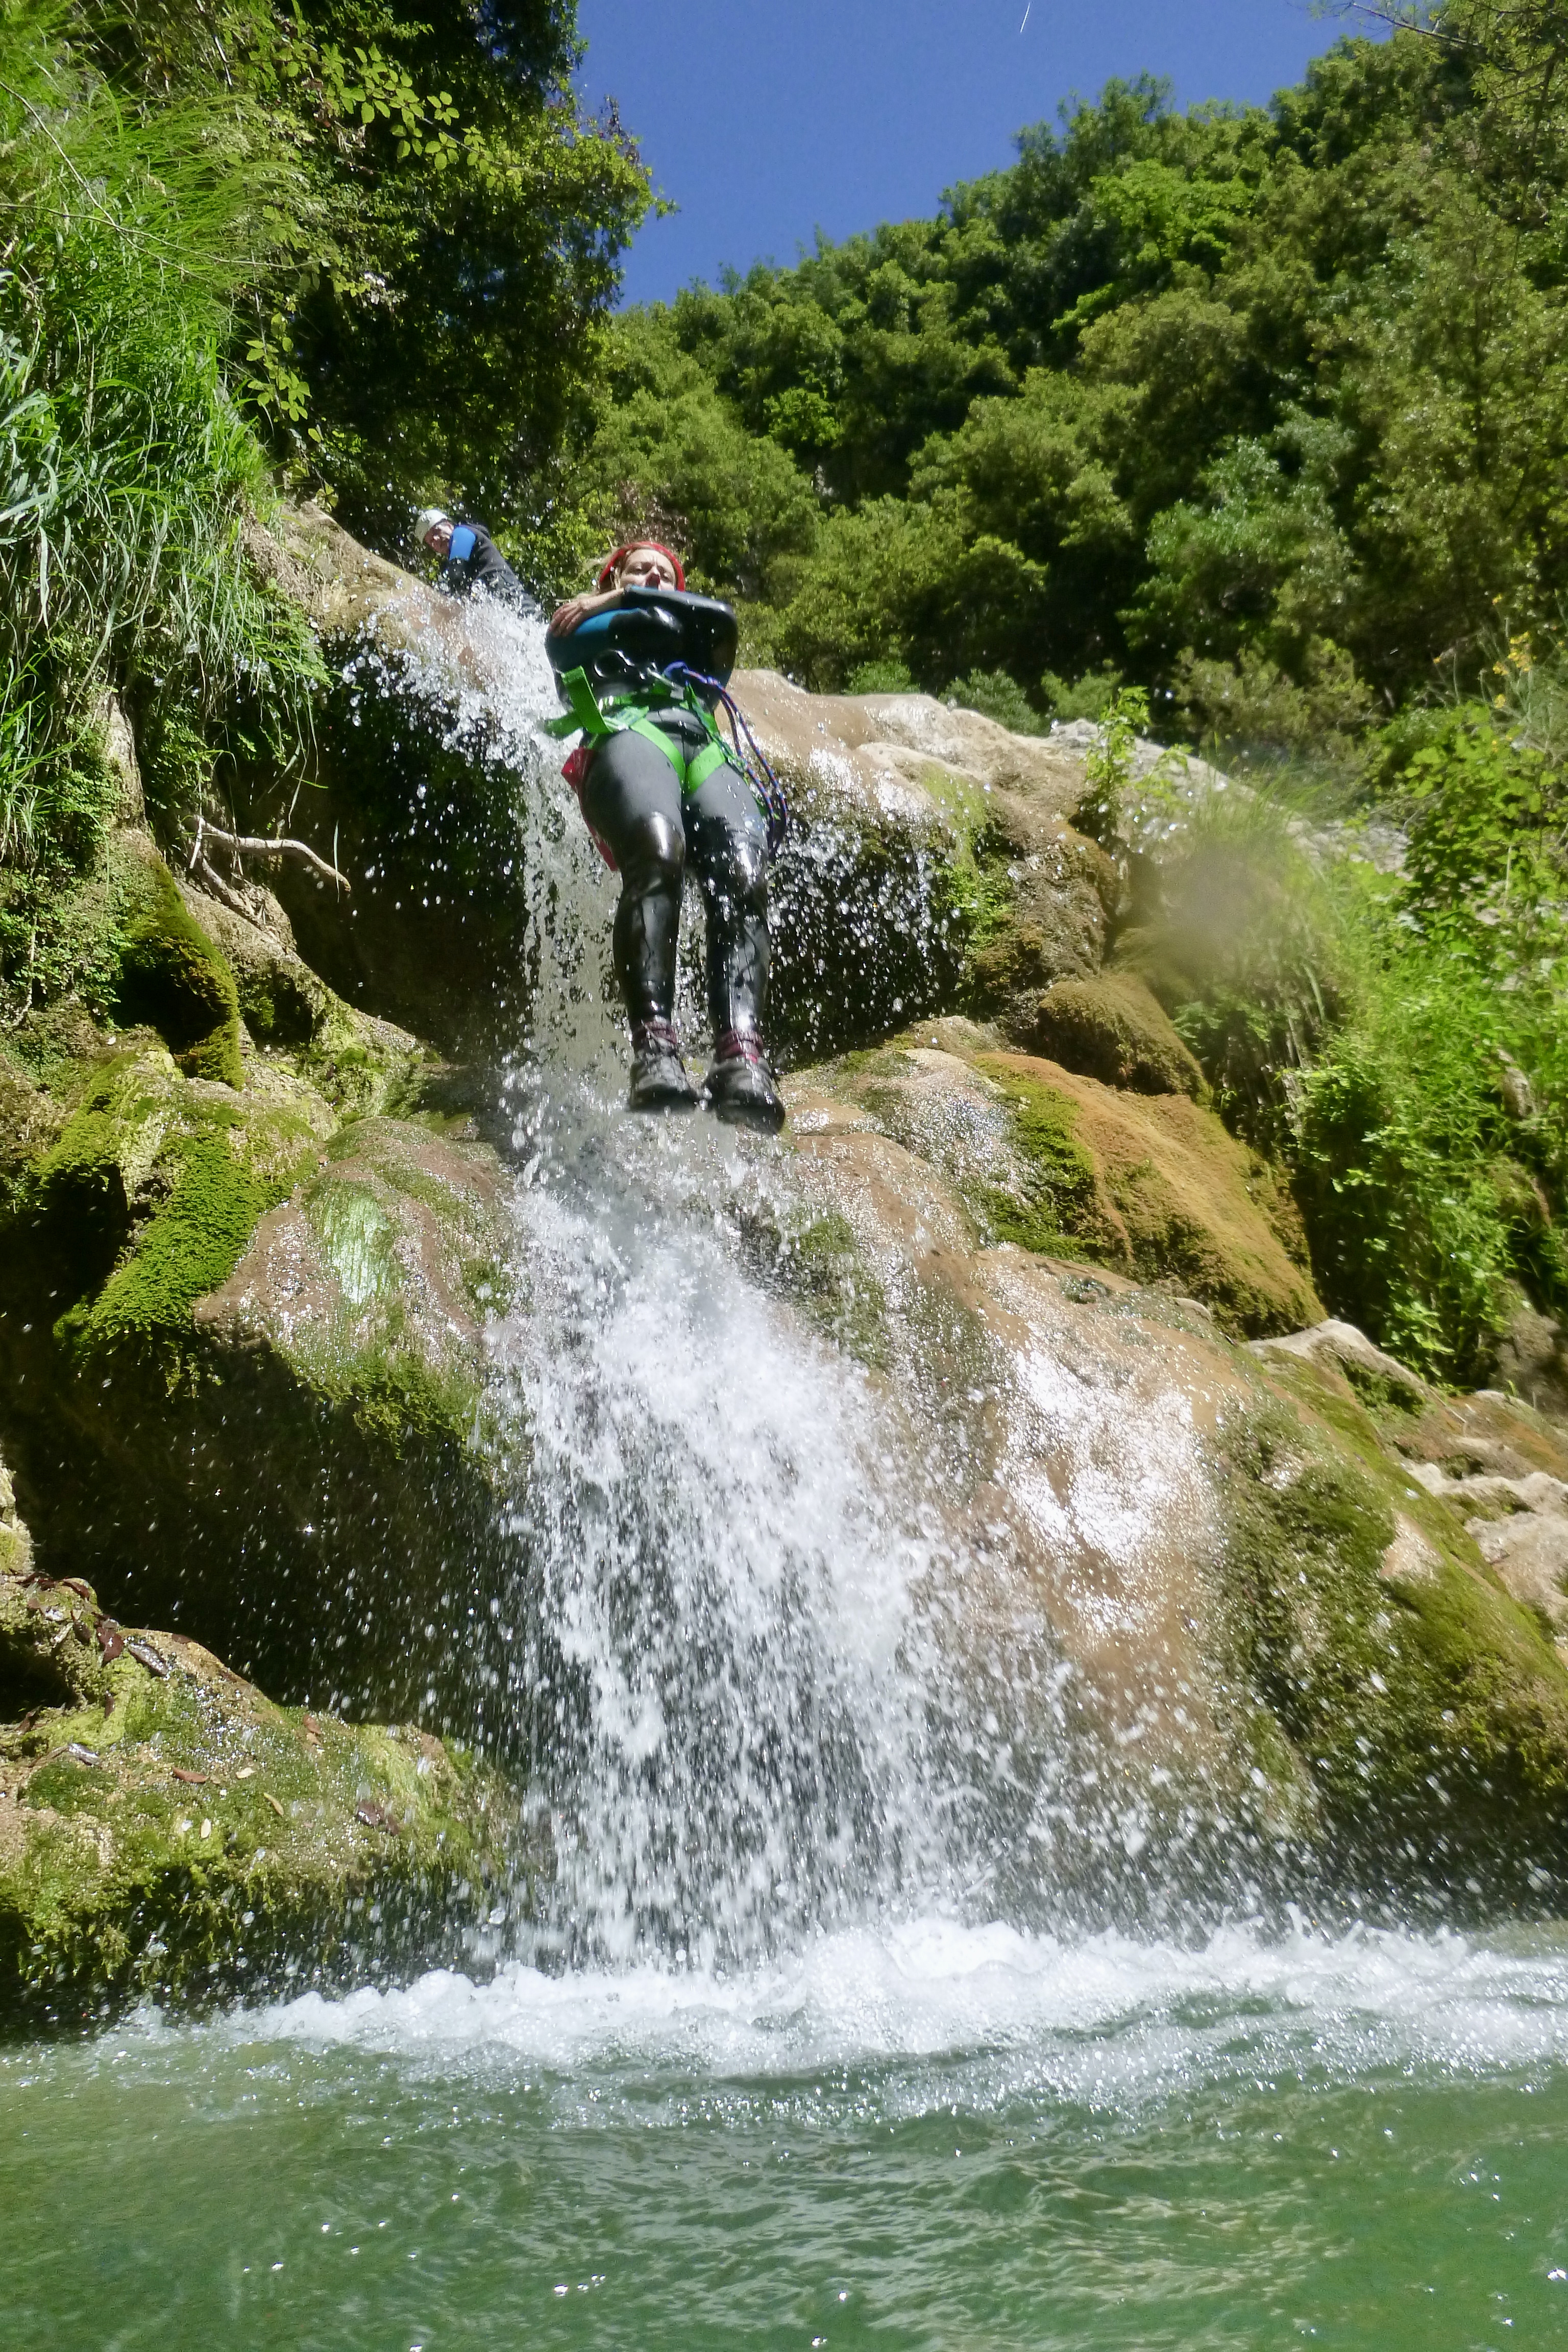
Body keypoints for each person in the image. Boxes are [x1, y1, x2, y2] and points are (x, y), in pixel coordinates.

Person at [546, 540, 786, 1130]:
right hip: (629, 730)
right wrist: (621, 602)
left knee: (744, 874)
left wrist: (627, 595)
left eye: (665, 573)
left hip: (702, 745)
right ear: (609, 577)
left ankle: (741, 1056)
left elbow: (722, 624)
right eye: (638, 570)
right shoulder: (583, 619)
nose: (654, 576)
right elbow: (564, 645)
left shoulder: (673, 616)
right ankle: (655, 1048)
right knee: (658, 850)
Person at [416, 508, 540, 618]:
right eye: (431, 541)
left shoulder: (462, 533)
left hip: (509, 596)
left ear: (449, 525)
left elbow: (456, 576)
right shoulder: (457, 551)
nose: (436, 540)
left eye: (436, 532)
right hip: (508, 600)